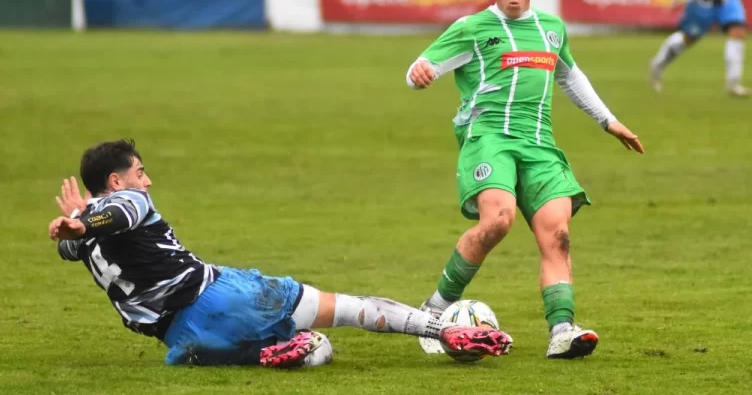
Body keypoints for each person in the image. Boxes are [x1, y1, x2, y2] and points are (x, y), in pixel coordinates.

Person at [49, 139, 513, 367]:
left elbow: (74, 244)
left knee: (320, 351)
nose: (146, 181)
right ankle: (441, 328)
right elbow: (122, 214)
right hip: (219, 295)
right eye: (140, 172)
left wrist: (75, 225)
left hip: (180, 338)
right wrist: (86, 218)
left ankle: (284, 349)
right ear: (116, 181)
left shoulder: (81, 238)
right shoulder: (127, 202)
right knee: (346, 309)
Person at [405, 0, 645, 359]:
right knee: (498, 220)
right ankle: (433, 312)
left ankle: (562, 331)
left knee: (559, 234)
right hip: (488, 139)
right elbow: (420, 68)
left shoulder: (552, 29)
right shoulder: (472, 28)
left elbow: (571, 76)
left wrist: (608, 120)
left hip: (538, 143)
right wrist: (419, 72)